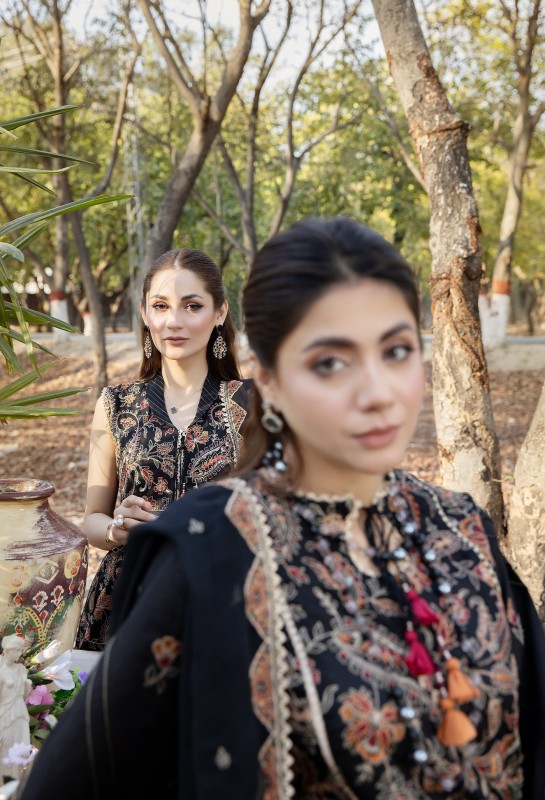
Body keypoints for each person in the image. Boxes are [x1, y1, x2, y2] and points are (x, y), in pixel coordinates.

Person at [18, 218, 545, 799]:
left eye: (396, 351)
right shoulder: (219, 549)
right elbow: (82, 771)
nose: (377, 391)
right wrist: (119, 528)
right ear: (271, 378)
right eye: (329, 361)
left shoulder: (464, 532)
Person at [75, 248, 251, 651]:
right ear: (144, 313)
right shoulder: (115, 405)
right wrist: (118, 528)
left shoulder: (252, 404)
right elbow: (92, 521)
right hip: (129, 597)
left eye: (193, 306)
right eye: (160, 306)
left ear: (220, 312)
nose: (174, 321)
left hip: (221, 598)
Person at [0, 636, 31, 783]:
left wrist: (28, 686)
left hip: (20, 712)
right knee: (5, 747)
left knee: (18, 748)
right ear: (7, 650)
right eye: (17, 650)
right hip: (6, 713)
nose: (19, 654)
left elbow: (24, 695)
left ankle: (14, 783)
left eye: (20, 650)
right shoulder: (1, 672)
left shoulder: (21, 669)